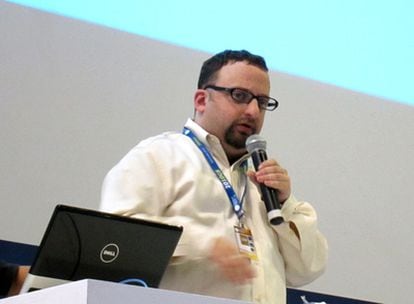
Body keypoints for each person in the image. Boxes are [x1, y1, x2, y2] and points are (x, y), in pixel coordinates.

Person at [100, 49, 328, 303]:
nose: (253, 111)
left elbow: (308, 269)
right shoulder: (159, 155)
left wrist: (286, 205)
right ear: (201, 100)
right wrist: (202, 244)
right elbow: (113, 239)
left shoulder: (261, 182)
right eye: (239, 95)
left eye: (262, 102)